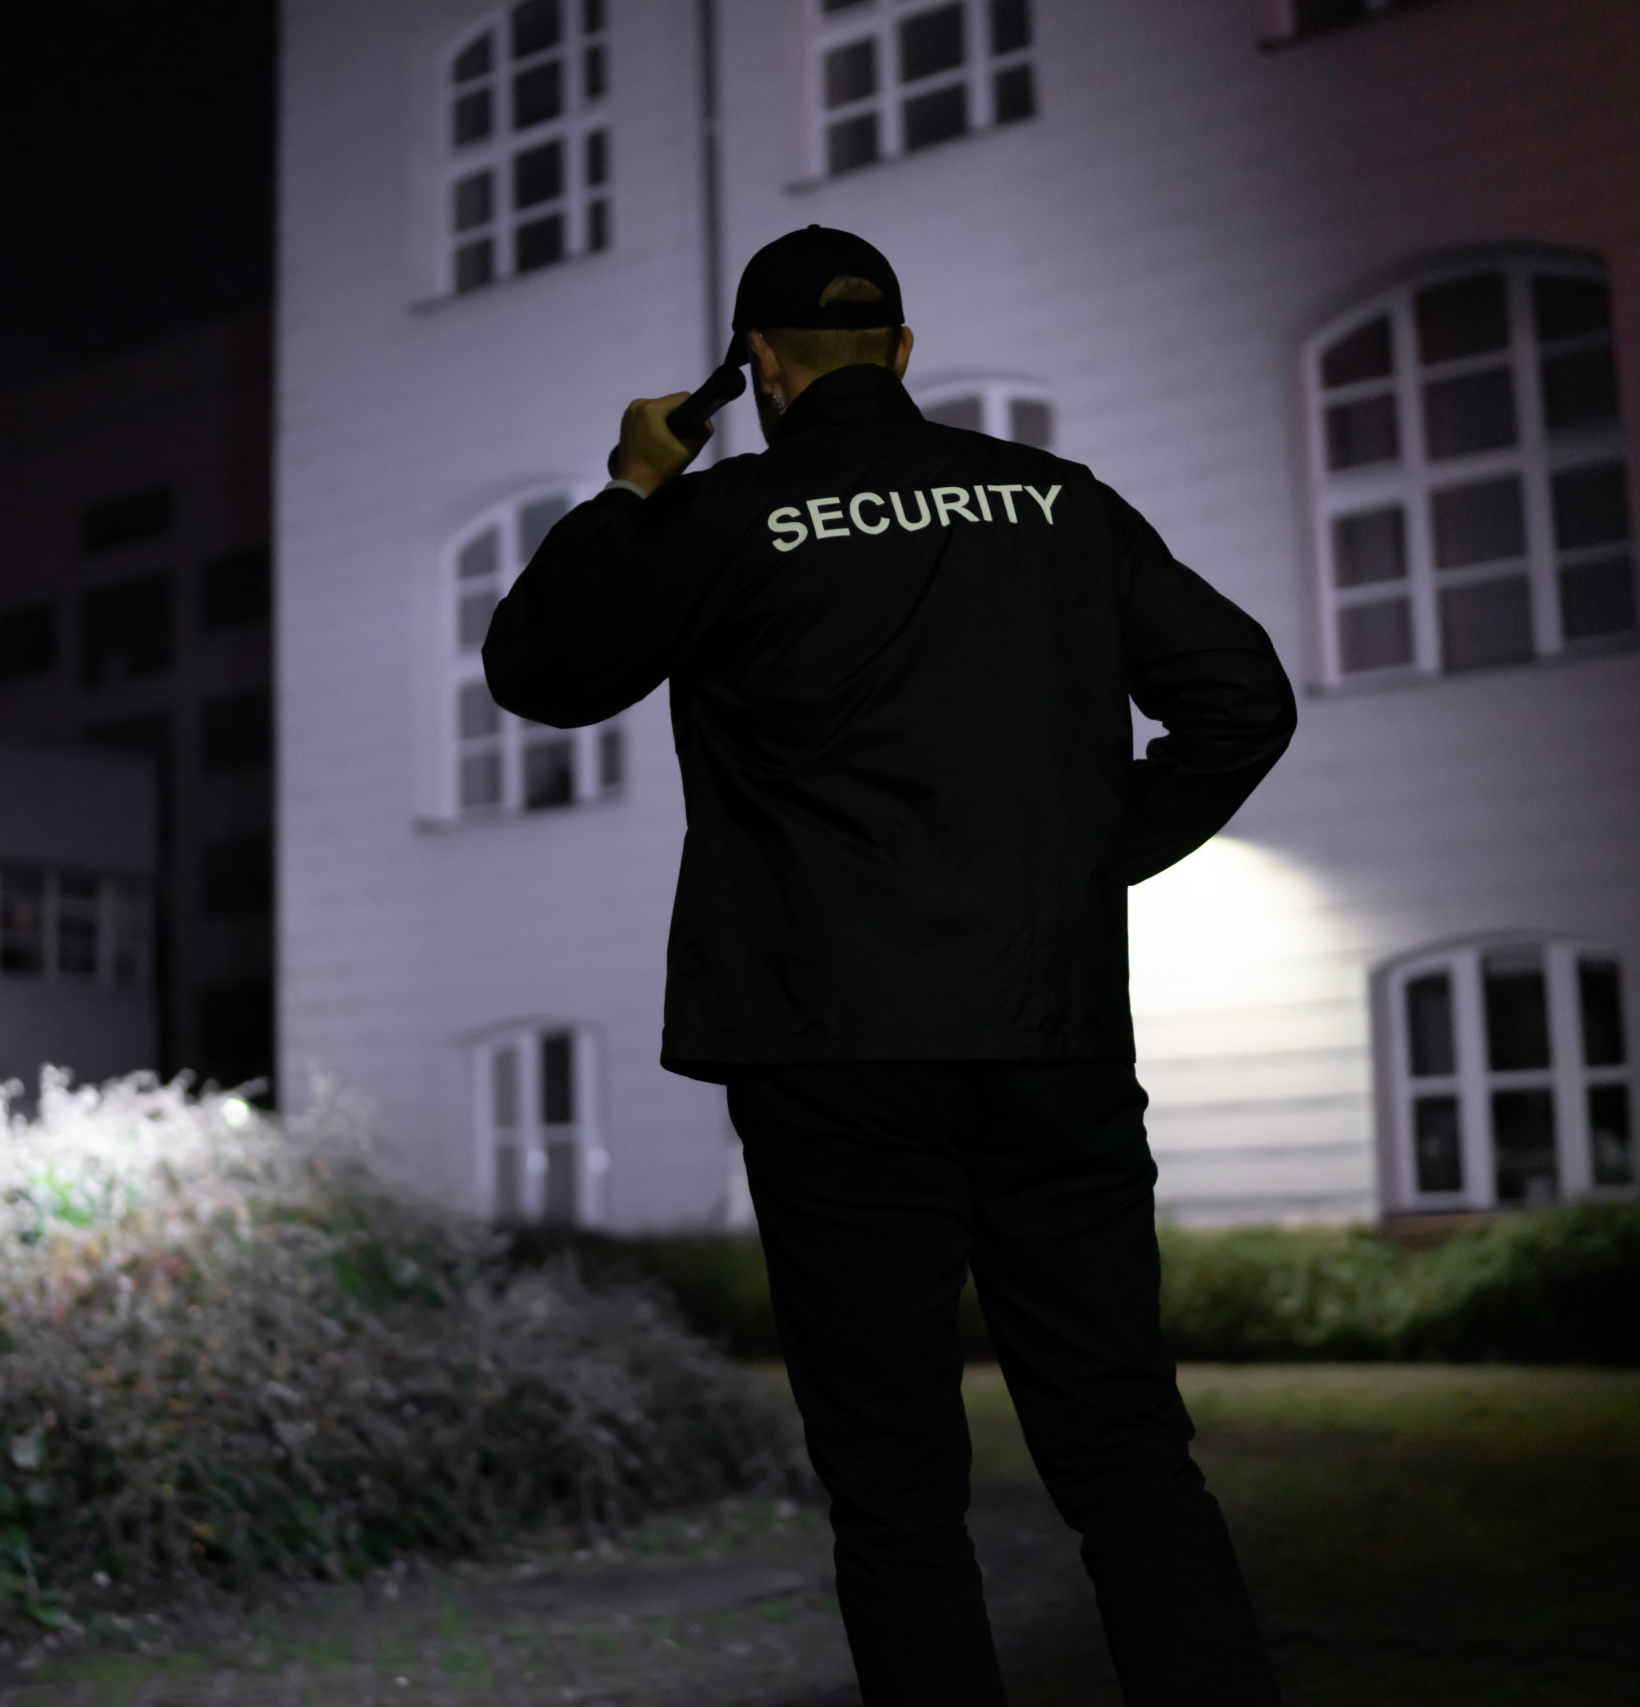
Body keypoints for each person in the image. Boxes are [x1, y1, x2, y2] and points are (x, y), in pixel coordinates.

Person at [483, 225, 1293, 1707]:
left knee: (896, 1485)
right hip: (1046, 1036)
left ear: (762, 368)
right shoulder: (1056, 507)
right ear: (903, 354)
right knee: (1122, 1450)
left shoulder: (725, 518)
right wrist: (1081, 863)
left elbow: (538, 668)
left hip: (831, 1055)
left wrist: (630, 484)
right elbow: (1243, 700)